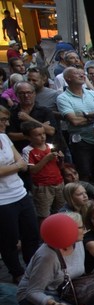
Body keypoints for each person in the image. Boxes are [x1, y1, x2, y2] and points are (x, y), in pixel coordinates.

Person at [0, 106, 39, 282]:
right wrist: (15, 166)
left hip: (20, 192)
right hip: (3, 200)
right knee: (8, 240)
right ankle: (16, 272)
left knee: (31, 233)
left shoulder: (4, 136)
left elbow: (23, 164)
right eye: (2, 120)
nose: (7, 124)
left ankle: (32, 266)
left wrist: (11, 167)